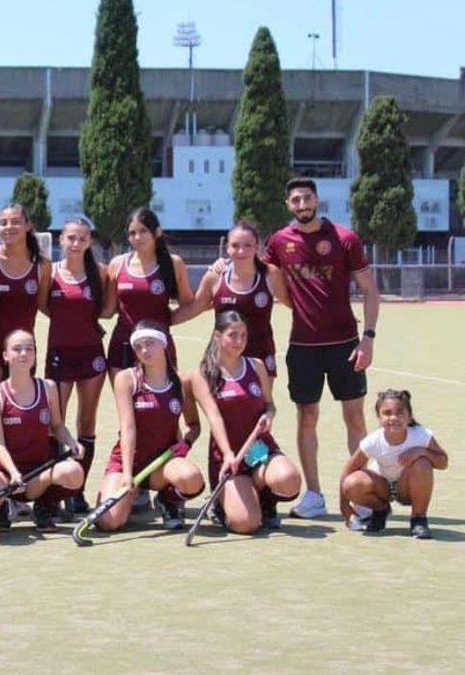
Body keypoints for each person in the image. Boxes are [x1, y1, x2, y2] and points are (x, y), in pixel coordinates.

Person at [260, 178, 380, 522]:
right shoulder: (280, 242)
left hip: (346, 344)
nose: (302, 204)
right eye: (295, 199)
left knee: (354, 418)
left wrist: (368, 338)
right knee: (306, 417)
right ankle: (314, 496)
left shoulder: (345, 238)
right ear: (288, 204)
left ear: (316, 199)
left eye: (307, 198)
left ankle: (361, 493)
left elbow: (371, 291)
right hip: (303, 346)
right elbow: (268, 276)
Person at [190, 311, 302, 533]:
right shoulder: (203, 374)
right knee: (245, 524)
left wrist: (269, 415)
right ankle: (221, 506)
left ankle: (265, 502)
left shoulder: (256, 366)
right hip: (227, 456)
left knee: (289, 480)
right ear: (217, 336)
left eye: (243, 335)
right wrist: (228, 454)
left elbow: (269, 404)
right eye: (232, 335)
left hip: (258, 449)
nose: (239, 342)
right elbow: (215, 417)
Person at [95, 321, 203, 532]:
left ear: (163, 344)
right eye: (138, 346)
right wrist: (127, 474)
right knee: (109, 522)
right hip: (128, 463)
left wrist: (185, 444)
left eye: (150, 343)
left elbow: (194, 425)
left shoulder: (179, 383)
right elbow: (128, 428)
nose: (144, 350)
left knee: (191, 479)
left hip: (162, 465)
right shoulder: (126, 379)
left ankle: (167, 499)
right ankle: (131, 495)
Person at [0, 330, 85, 532]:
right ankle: (1, 506)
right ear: (5, 356)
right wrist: (13, 473)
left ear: (35, 355)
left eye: (29, 349)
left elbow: (57, 426)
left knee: (74, 473)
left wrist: (71, 442)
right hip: (4, 472)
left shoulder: (48, 387)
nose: (24, 353)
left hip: (37, 472)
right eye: (17, 349)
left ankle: (44, 505)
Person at [41, 218, 108, 514]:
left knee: (86, 421)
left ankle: (77, 491)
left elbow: (107, 310)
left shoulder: (100, 273)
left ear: (89, 241)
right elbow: (44, 306)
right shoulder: (50, 272)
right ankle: (55, 489)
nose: (76, 243)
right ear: (61, 240)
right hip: (59, 352)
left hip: (92, 354)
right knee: (56, 422)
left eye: (82, 238)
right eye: (71, 238)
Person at [173, 221, 290, 376]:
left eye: (248, 245)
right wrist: (162, 320)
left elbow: (293, 302)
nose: (241, 251)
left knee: (262, 400)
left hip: (260, 353)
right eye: (235, 245)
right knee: (219, 399)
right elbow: (193, 308)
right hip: (222, 354)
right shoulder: (215, 276)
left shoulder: (270, 274)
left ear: (257, 246)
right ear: (227, 247)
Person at [0, 204, 52, 403]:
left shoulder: (42, 265)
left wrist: (82, 316)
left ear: (28, 226)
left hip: (24, 348)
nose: (8, 227)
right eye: (3, 223)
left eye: (15, 222)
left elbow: (44, 306)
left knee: (19, 406)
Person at [339, 389, 447, 539]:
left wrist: (421, 452)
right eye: (387, 413)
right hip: (382, 488)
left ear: (409, 417)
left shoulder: (421, 435)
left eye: (400, 412)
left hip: (407, 490)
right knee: (352, 483)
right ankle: (381, 510)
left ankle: (419, 519)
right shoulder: (373, 441)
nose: (394, 418)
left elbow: (443, 462)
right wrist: (344, 508)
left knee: (422, 463)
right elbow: (348, 471)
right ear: (379, 417)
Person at [101, 207, 193, 375]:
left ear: (157, 232)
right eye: (132, 233)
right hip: (123, 346)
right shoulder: (117, 264)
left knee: (162, 400)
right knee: (125, 400)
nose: (137, 237)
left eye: (143, 231)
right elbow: (108, 310)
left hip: (159, 345)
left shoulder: (173, 264)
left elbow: (187, 304)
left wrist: (164, 322)